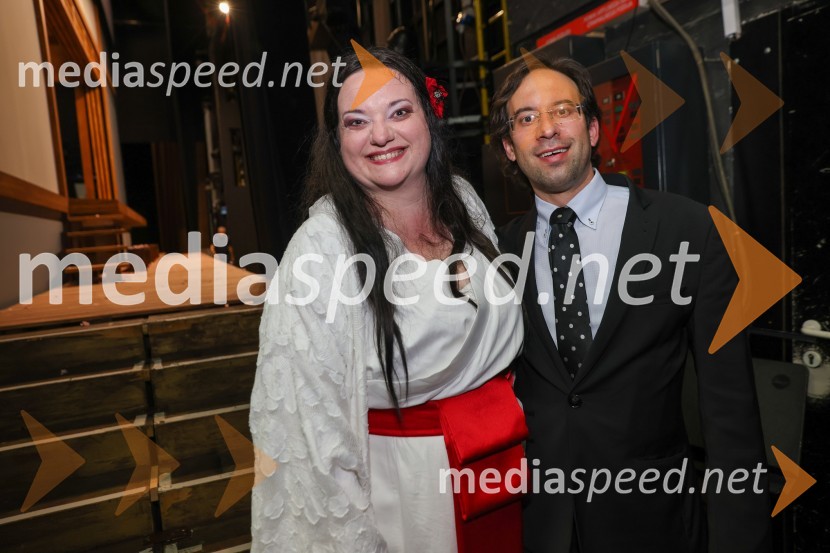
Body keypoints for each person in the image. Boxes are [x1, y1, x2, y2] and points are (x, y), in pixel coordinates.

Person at [249, 46, 526, 553]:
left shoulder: (463, 201)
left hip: (500, 470)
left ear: (429, 117)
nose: (381, 135)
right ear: (337, 141)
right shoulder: (321, 250)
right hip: (410, 499)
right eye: (357, 122)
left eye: (399, 112)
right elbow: (307, 443)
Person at [492, 57, 773, 552]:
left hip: (654, 524)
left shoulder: (688, 231)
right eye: (527, 118)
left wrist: (740, 540)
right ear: (509, 148)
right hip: (537, 526)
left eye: (564, 110)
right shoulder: (495, 253)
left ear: (594, 128)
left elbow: (730, 411)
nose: (548, 129)